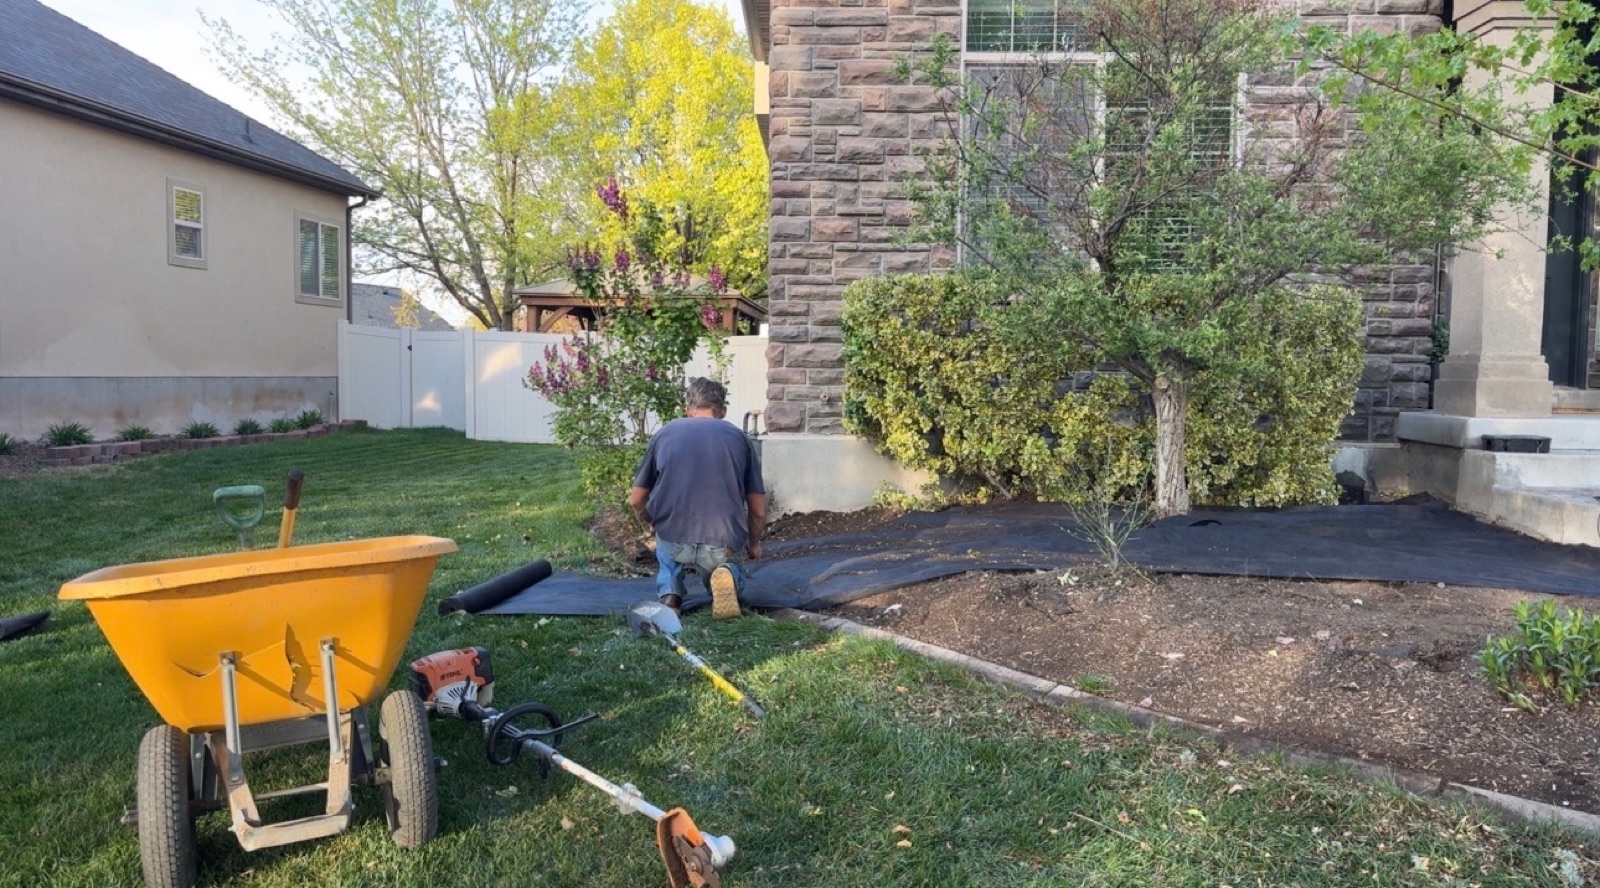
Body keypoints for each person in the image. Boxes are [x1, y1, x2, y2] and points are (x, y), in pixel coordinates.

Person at [630, 377, 766, 619]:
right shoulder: (739, 439)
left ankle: (670, 595)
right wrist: (754, 543)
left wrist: (653, 521)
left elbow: (637, 498)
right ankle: (726, 576)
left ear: (688, 409)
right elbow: (757, 509)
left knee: (667, 554)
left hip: (673, 539)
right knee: (725, 565)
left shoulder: (665, 434)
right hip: (720, 543)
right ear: (722, 410)